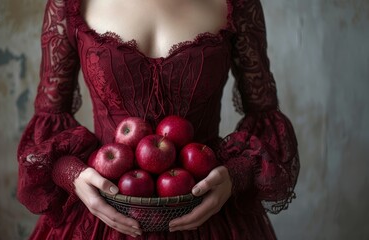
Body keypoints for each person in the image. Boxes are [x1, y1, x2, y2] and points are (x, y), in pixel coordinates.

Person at [16, 0, 299, 238]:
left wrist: (236, 174)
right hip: (101, 214)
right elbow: (49, 119)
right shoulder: (69, 3)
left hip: (208, 210)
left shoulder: (237, 3)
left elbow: (264, 116)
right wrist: (72, 175)